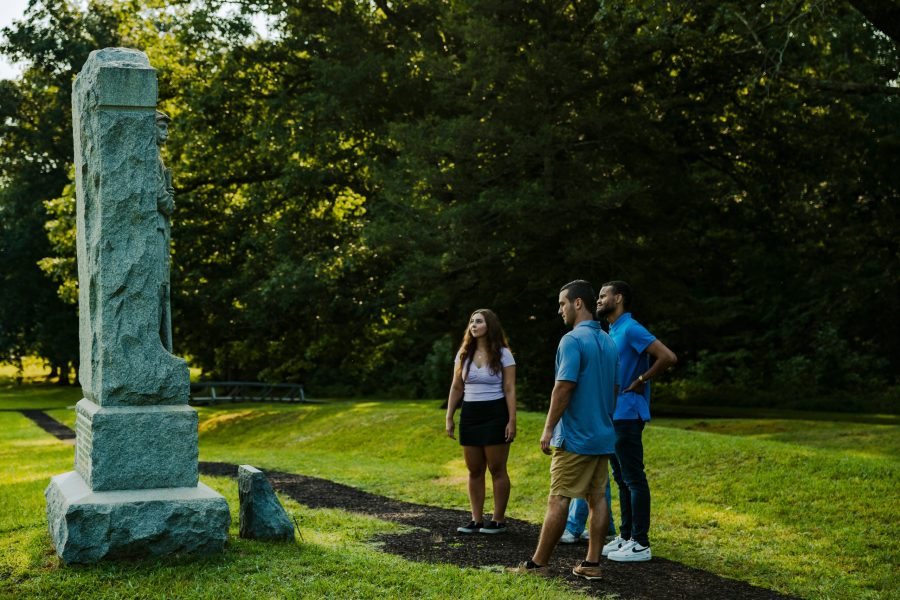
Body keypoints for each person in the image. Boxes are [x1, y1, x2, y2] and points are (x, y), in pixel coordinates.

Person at [509, 280, 618, 580]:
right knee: (597, 498)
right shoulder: (609, 341)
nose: (559, 310)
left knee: (559, 498)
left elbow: (563, 387)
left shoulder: (571, 340)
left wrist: (548, 428)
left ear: (578, 303)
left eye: (562, 304)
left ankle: (538, 564)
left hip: (575, 437)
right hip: (603, 435)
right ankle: (592, 564)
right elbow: (615, 389)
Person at [597, 280, 677, 562]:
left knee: (633, 478)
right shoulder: (611, 330)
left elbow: (667, 356)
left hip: (628, 414)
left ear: (618, 298)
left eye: (603, 296)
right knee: (621, 478)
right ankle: (627, 535)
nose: (599, 300)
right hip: (613, 414)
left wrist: (642, 379)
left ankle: (641, 543)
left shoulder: (630, 328)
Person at [445, 309, 517, 534]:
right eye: (471, 321)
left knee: (497, 468)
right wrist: (449, 416)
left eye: (479, 321)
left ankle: (498, 519)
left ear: (490, 326)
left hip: (496, 413)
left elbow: (509, 388)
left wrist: (511, 420)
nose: (473, 325)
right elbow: (457, 387)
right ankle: (476, 519)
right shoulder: (463, 354)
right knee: (474, 470)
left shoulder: (503, 354)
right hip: (470, 414)